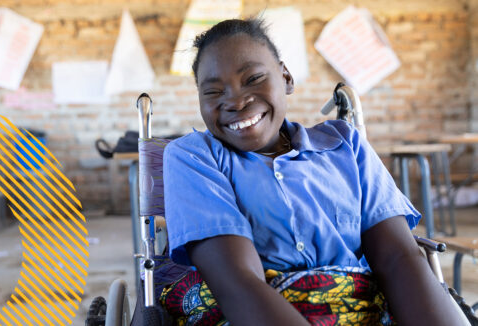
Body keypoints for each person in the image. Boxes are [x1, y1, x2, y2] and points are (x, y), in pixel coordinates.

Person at [161, 18, 465, 326]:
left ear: (286, 78)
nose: (236, 101)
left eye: (252, 78)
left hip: (360, 310)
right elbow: (236, 282)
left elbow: (399, 258)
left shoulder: (345, 145)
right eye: (213, 91)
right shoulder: (193, 157)